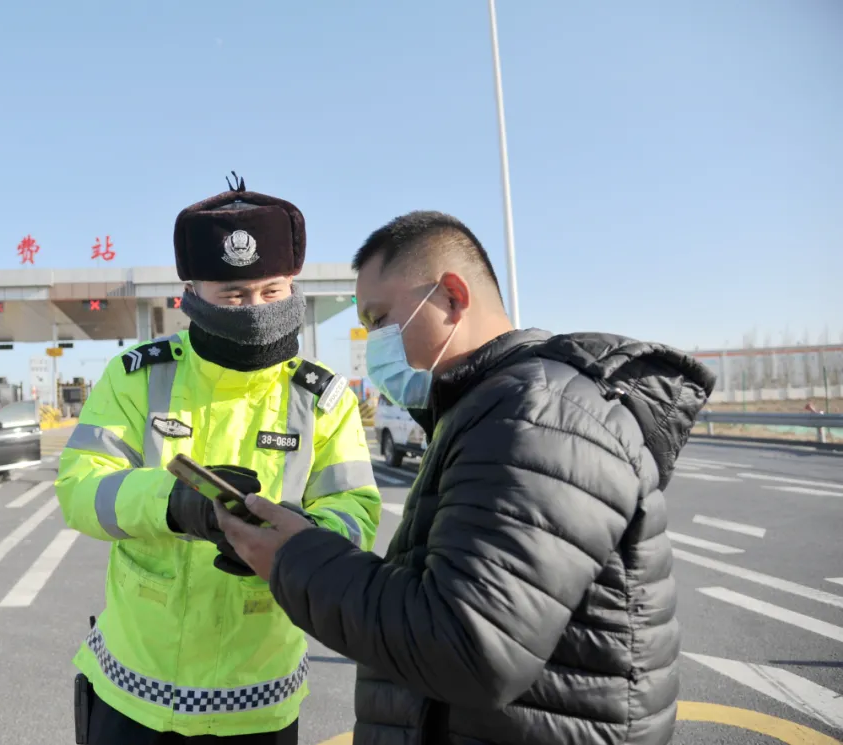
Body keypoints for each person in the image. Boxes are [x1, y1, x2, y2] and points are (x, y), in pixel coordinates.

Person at [214, 211, 717, 745]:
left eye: (381, 319)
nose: (374, 344)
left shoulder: (534, 418)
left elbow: (470, 648)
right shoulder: (491, 408)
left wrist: (295, 559)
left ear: (452, 297)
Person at [54, 175, 382, 745]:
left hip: (259, 702)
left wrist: (299, 540)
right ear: (192, 294)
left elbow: (355, 510)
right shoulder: (137, 377)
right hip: (131, 696)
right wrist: (174, 505)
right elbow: (79, 489)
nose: (255, 308)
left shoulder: (322, 397)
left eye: (271, 291)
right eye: (233, 295)